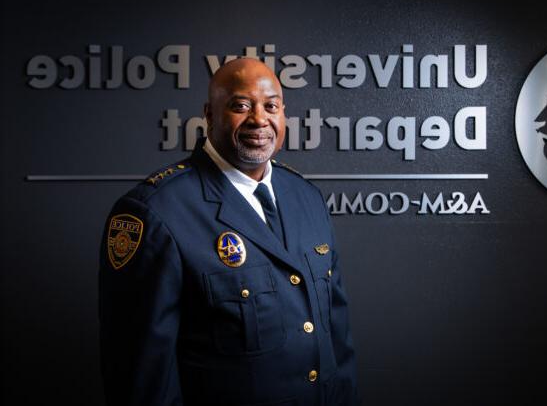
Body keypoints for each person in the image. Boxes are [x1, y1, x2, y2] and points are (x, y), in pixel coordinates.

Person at [99, 58, 359, 406]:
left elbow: (336, 341)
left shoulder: (306, 197)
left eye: (271, 106)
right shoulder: (156, 212)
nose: (259, 119)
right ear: (209, 114)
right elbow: (142, 375)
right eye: (240, 106)